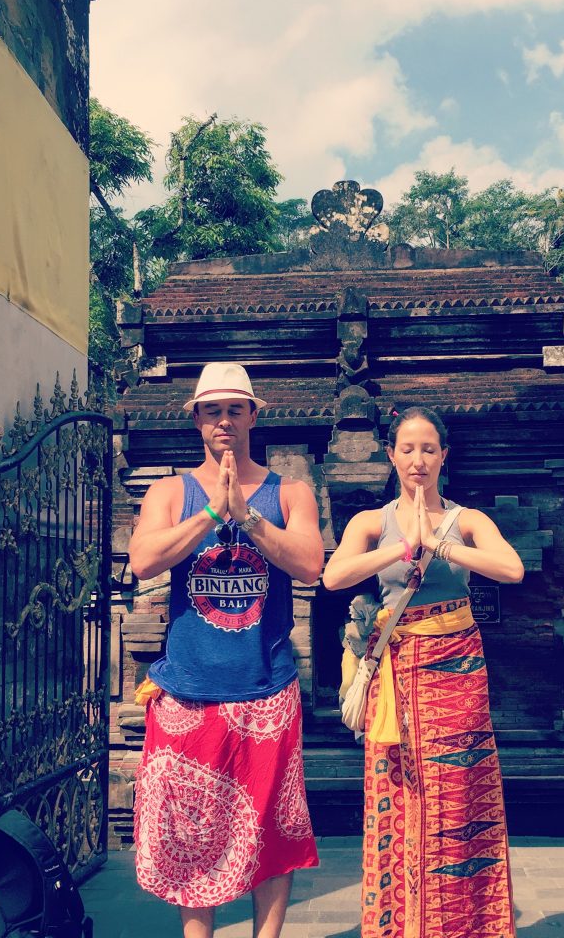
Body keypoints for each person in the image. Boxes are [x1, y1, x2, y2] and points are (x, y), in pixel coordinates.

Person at [128, 362, 324, 938]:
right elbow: (143, 561)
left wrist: (248, 516)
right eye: (212, 410)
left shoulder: (290, 492)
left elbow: (312, 564)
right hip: (188, 687)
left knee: (273, 822)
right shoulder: (170, 491)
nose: (224, 421)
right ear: (195, 419)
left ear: (253, 416)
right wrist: (214, 511)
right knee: (191, 826)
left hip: (266, 686)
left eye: (235, 409)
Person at [323, 406, 525, 938]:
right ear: (391, 456)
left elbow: (512, 568)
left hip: (456, 665)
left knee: (457, 789)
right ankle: (401, 924)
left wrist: (438, 543)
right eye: (407, 449)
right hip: (395, 666)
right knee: (396, 788)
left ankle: (463, 923)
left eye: (428, 449)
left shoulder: (468, 519)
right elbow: (333, 575)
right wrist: (401, 546)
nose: (418, 460)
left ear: (444, 456)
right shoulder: (371, 522)